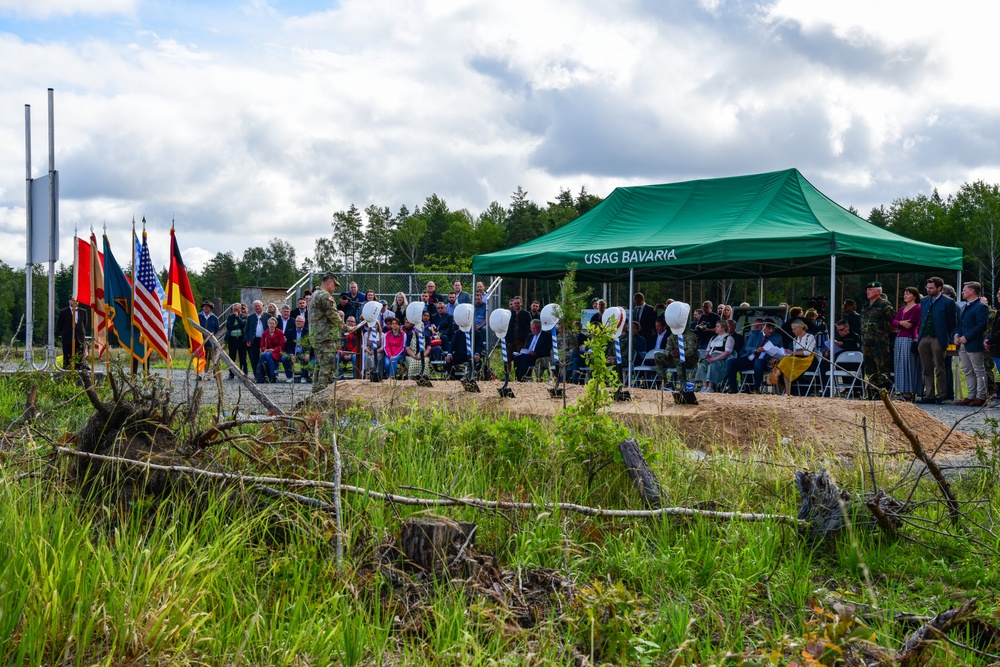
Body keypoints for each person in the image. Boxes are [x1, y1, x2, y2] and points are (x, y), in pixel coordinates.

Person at [917, 276, 958, 404]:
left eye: (931, 288)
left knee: (940, 368)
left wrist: (946, 336)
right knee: (926, 368)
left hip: (938, 337)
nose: (928, 290)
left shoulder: (948, 302)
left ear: (939, 288)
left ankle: (942, 394)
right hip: (924, 336)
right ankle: (929, 394)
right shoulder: (924, 301)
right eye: (927, 288)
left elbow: (952, 322)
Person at [311, 274, 352, 393]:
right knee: (327, 368)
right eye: (334, 285)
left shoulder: (314, 294)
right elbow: (334, 315)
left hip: (317, 336)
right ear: (329, 282)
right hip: (325, 337)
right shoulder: (325, 296)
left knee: (319, 366)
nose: (335, 288)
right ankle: (321, 395)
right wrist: (346, 328)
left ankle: (315, 392)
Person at [954, 281, 989, 406]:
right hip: (963, 343)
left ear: (972, 291)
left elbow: (982, 325)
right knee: (968, 370)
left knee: (978, 370)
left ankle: (981, 396)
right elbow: (960, 323)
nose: (962, 292)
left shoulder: (981, 306)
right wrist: (957, 335)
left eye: (964, 290)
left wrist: (967, 337)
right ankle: (971, 395)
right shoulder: (965, 306)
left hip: (973, 342)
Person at [859, 281, 895, 394]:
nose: (867, 292)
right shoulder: (865, 306)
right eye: (867, 290)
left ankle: (883, 392)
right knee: (869, 369)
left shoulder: (885, 305)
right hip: (866, 343)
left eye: (871, 290)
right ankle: (872, 390)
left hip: (880, 343)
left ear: (878, 292)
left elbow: (893, 321)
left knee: (882, 368)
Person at [769, 319, 816, 396]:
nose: (793, 331)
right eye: (792, 329)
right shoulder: (795, 339)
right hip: (796, 359)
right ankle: (787, 391)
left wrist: (793, 353)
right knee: (785, 363)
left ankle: (774, 376)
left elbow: (808, 352)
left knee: (786, 361)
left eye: (795, 329)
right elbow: (793, 353)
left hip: (808, 360)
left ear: (801, 328)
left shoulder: (810, 337)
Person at [891, 287, 922, 401]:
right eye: (904, 293)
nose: (905, 296)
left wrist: (900, 323)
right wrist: (901, 322)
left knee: (908, 364)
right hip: (899, 338)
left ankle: (909, 392)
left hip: (909, 338)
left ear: (914, 296)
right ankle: (903, 390)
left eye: (907, 294)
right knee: (899, 365)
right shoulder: (902, 308)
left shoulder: (917, 308)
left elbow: (911, 324)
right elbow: (894, 321)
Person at [724, 317, 766, 393]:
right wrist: (755, 349)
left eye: (759, 325)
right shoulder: (753, 335)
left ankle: (755, 389)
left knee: (758, 363)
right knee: (731, 362)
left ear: (764, 326)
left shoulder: (768, 336)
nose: (756, 326)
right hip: (749, 358)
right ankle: (733, 388)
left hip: (762, 360)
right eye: (755, 325)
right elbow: (746, 347)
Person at [693, 320, 734, 393]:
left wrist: (715, 358)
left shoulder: (728, 338)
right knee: (702, 366)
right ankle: (704, 386)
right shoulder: (713, 338)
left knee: (712, 366)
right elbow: (707, 350)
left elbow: (727, 352)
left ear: (723, 328)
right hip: (710, 357)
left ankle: (710, 387)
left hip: (720, 359)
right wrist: (708, 356)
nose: (716, 328)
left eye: (717, 326)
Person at [257, 317, 291, 383]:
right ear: (268, 324)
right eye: (270, 323)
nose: (272, 325)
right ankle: (262, 374)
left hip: (278, 352)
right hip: (268, 352)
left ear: (275, 325)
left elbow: (281, 345)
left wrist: (273, 350)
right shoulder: (265, 333)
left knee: (267, 355)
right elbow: (262, 345)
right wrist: (264, 349)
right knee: (263, 354)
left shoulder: (280, 332)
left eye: (273, 323)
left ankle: (271, 375)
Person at [56, 298, 87, 369]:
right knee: (67, 357)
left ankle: (79, 372)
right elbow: (59, 325)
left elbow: (84, 324)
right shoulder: (63, 312)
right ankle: (67, 373)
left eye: (76, 300)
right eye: (73, 300)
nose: (75, 302)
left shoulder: (83, 312)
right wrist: (66, 331)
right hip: (67, 338)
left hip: (79, 339)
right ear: (69, 301)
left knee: (79, 358)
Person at [244, 300, 271, 378]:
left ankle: (267, 374)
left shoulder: (268, 316)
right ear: (254, 308)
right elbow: (246, 330)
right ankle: (256, 374)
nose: (257, 307)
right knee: (254, 358)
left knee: (266, 356)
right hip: (254, 340)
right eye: (256, 306)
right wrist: (247, 340)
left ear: (262, 306)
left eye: (259, 305)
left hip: (265, 340)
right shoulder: (250, 317)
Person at [285, 315, 312, 382]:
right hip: (293, 352)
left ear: (303, 322)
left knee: (305, 357)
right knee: (284, 358)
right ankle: (290, 377)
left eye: (300, 321)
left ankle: (304, 377)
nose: (299, 322)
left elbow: (311, 344)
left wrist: (308, 353)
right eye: (297, 321)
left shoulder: (308, 332)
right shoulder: (290, 331)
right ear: (295, 322)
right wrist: (291, 354)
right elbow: (287, 345)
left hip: (304, 352)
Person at [225, 301, 248, 379]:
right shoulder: (230, 317)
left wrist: (237, 317)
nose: (235, 311)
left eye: (237, 309)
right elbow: (229, 327)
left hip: (241, 339)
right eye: (234, 309)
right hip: (232, 339)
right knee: (232, 357)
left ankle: (244, 373)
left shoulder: (244, 316)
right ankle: (231, 374)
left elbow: (243, 324)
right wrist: (238, 326)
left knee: (243, 357)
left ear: (240, 309)